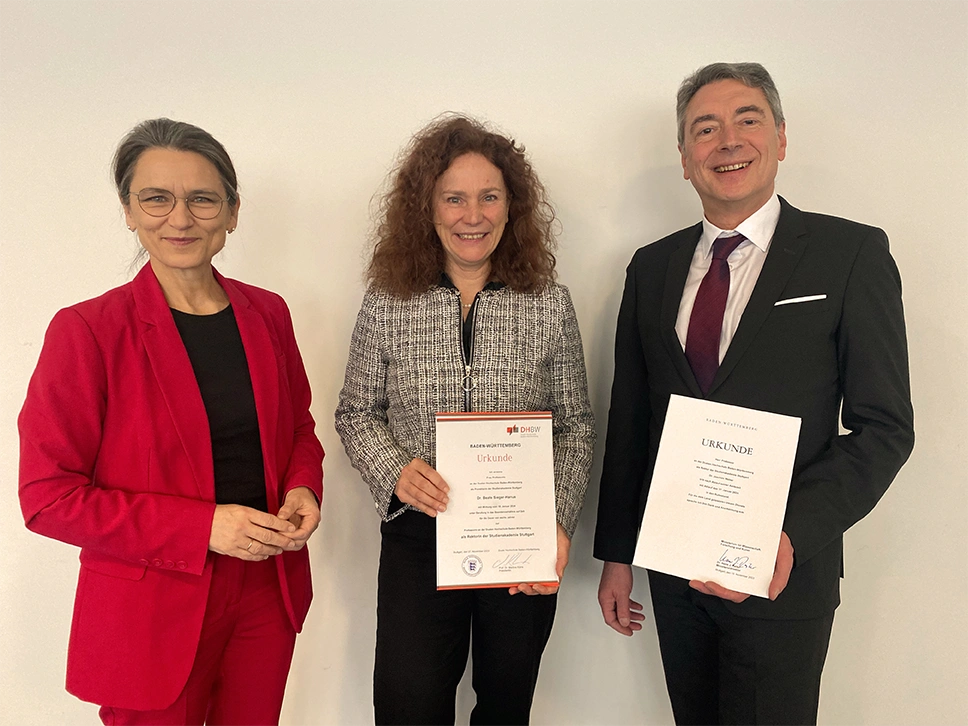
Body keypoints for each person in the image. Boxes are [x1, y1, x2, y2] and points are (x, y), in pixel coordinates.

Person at [594, 63, 914, 725]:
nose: (727, 141)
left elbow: (885, 427)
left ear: (781, 137)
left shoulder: (848, 254)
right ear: (685, 160)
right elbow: (631, 420)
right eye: (704, 130)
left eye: (747, 120)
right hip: (675, 574)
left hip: (782, 576)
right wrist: (618, 555)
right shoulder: (651, 267)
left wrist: (792, 533)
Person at [18, 118, 324, 726]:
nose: (179, 219)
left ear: (232, 212)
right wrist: (202, 527)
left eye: (202, 199)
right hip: (151, 604)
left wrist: (302, 487)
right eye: (155, 198)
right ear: (129, 211)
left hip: (267, 590)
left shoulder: (267, 313)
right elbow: (47, 498)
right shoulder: (87, 332)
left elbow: (297, 430)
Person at [335, 115, 595, 725]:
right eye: (453, 197)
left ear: (512, 208)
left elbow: (576, 425)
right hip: (419, 533)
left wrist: (554, 523)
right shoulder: (388, 300)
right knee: (408, 705)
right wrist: (394, 470)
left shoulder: (548, 303)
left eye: (488, 196)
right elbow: (355, 412)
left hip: (518, 539)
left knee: (505, 708)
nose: (470, 214)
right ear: (427, 208)